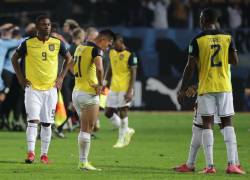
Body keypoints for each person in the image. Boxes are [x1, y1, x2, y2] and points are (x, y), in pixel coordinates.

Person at [177, 8, 244, 174]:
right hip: (224, 86)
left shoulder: (197, 40)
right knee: (227, 123)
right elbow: (235, 61)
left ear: (203, 20)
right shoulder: (228, 38)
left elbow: (190, 66)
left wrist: (183, 88)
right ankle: (232, 164)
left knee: (205, 124)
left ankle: (210, 166)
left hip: (206, 87)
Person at [11, 14, 72, 164]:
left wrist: (61, 78)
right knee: (33, 120)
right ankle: (31, 153)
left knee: (47, 123)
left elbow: (69, 59)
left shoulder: (57, 43)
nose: (47, 27)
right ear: (37, 27)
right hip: (33, 89)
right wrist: (20, 78)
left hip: (50, 90)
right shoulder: (28, 43)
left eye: (49, 25)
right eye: (44, 24)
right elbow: (14, 58)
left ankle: (44, 155)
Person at [174, 86, 243, 172]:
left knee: (200, 126)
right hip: (224, 87)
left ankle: (203, 166)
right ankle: (235, 164)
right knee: (226, 125)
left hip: (206, 89)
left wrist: (188, 88)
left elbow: (196, 72)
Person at [72, 29, 114, 171]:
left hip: (76, 92)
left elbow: (72, 65)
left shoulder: (80, 47)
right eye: (108, 44)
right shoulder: (96, 50)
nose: (107, 47)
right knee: (87, 129)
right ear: (102, 39)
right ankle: (83, 162)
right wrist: (100, 85)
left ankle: (83, 162)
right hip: (89, 93)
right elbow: (100, 69)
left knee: (88, 127)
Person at [104, 33, 137, 148]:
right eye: (112, 42)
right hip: (113, 87)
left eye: (114, 42)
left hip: (125, 88)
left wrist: (130, 91)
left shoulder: (130, 54)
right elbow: (110, 68)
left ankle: (121, 139)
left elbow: (133, 73)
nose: (112, 44)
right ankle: (127, 130)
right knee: (108, 112)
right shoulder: (112, 52)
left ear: (121, 41)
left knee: (123, 112)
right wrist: (105, 82)